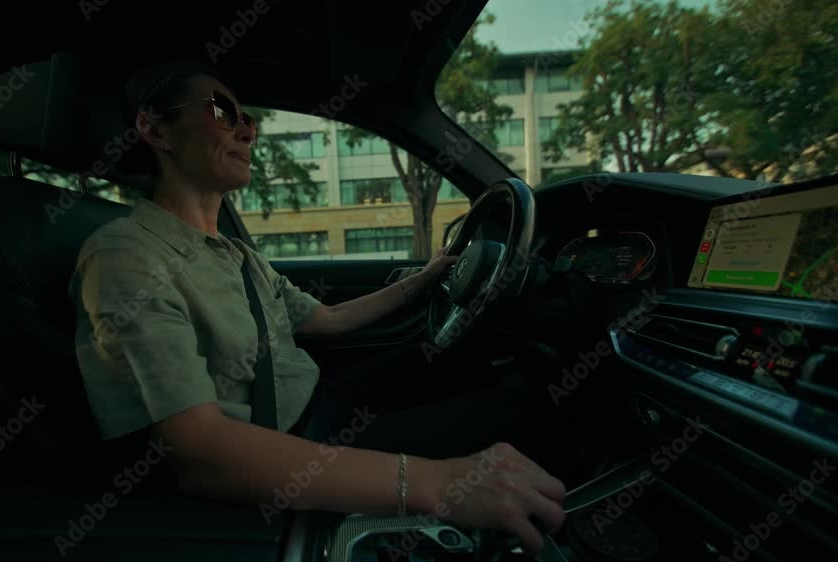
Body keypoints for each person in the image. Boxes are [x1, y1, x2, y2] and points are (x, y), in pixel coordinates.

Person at [69, 59, 566, 554]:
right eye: (224, 112)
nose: (247, 131)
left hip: (324, 395)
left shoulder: (238, 255)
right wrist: (442, 484)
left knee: (473, 360)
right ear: (156, 129)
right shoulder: (124, 258)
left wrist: (427, 278)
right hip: (287, 446)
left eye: (249, 120)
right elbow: (201, 454)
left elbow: (327, 319)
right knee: (524, 413)